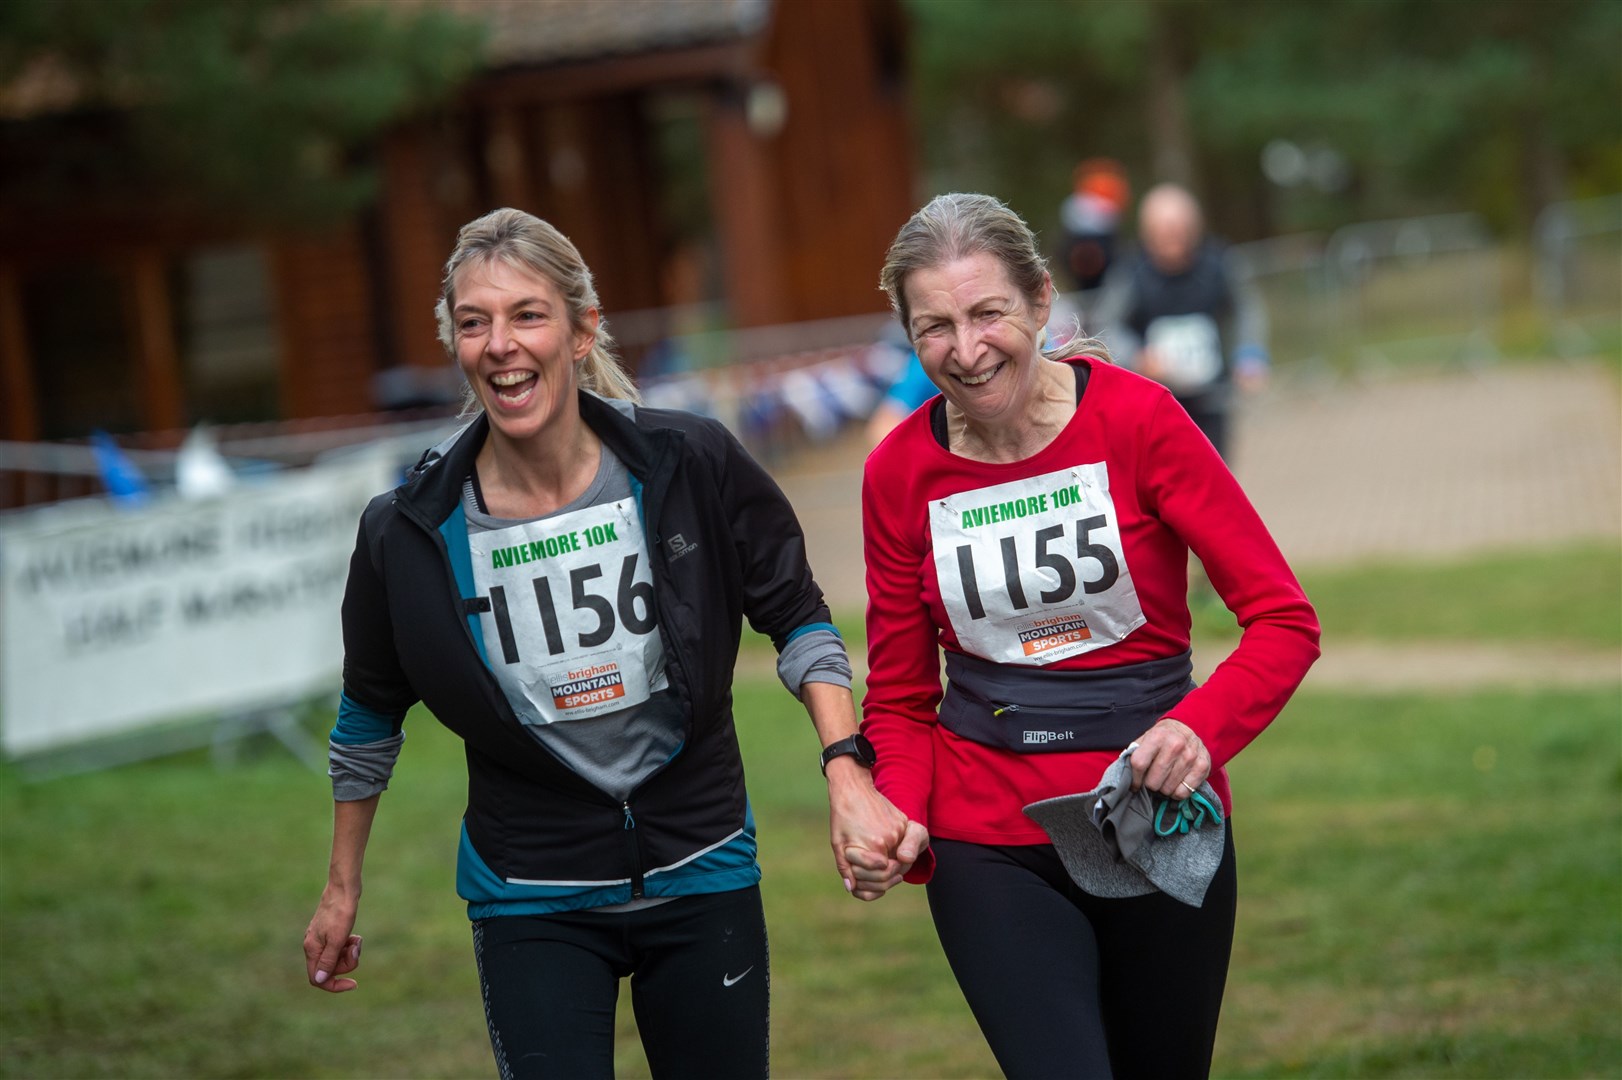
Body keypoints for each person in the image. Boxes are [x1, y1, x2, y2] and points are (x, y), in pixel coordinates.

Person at [302, 207, 914, 1078]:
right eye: (474, 322)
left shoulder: (690, 462)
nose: (500, 344)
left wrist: (847, 770)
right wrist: (340, 887)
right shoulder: (406, 530)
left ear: (583, 330)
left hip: (701, 863)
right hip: (531, 891)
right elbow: (368, 711)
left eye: (527, 315)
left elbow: (799, 616)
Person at [855, 192, 1319, 1078]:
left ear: (1038, 299)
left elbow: (1283, 621)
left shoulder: (1140, 421)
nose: (966, 349)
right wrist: (899, 815)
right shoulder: (898, 472)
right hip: (988, 835)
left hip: (1158, 818)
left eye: (987, 312)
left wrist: (1199, 728)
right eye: (934, 328)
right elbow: (905, 697)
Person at [1093, 182, 1269, 460]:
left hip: (1212, 400)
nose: (1171, 240)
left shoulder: (1219, 264)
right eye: (1162, 232)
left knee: (1214, 474)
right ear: (1146, 233)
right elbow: (1107, 325)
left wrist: (1249, 355)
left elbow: (1246, 309)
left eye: (1177, 230)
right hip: (1155, 403)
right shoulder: (1130, 274)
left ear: (1193, 228)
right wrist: (1136, 356)